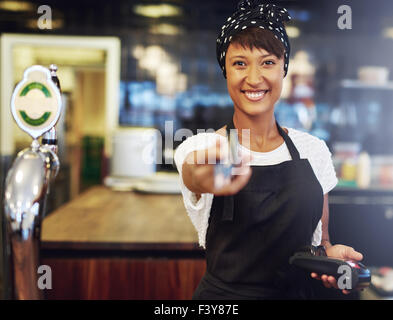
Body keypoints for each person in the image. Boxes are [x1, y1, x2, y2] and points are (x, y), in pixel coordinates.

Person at [174, 0, 363, 299]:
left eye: (267, 62)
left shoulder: (312, 150)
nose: (253, 77)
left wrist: (331, 256)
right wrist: (208, 174)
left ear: (283, 68)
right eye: (239, 63)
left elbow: (322, 241)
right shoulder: (203, 147)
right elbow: (194, 173)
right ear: (225, 70)